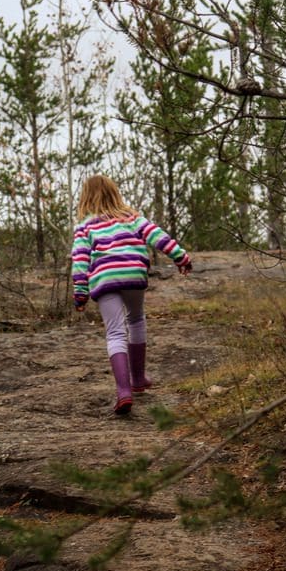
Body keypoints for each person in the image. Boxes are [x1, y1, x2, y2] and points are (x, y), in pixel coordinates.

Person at [72, 175, 192, 415]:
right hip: (133, 273)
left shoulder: (85, 226)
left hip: (105, 277)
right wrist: (180, 256)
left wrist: (80, 291)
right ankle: (138, 379)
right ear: (115, 193)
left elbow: (80, 258)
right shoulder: (131, 217)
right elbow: (157, 235)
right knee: (136, 319)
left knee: (115, 331)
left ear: (85, 197)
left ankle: (123, 392)